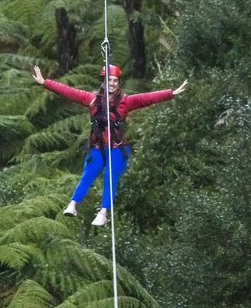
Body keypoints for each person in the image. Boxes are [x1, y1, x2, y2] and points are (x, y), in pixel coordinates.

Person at [32, 62, 187, 226]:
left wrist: (171, 93)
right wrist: (45, 82)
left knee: (109, 178)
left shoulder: (125, 101)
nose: (112, 83)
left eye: (115, 80)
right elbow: (69, 92)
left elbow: (147, 98)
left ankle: (103, 212)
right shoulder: (92, 99)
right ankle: (73, 204)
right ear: (104, 81)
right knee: (88, 175)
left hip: (117, 148)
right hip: (98, 147)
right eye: (109, 80)